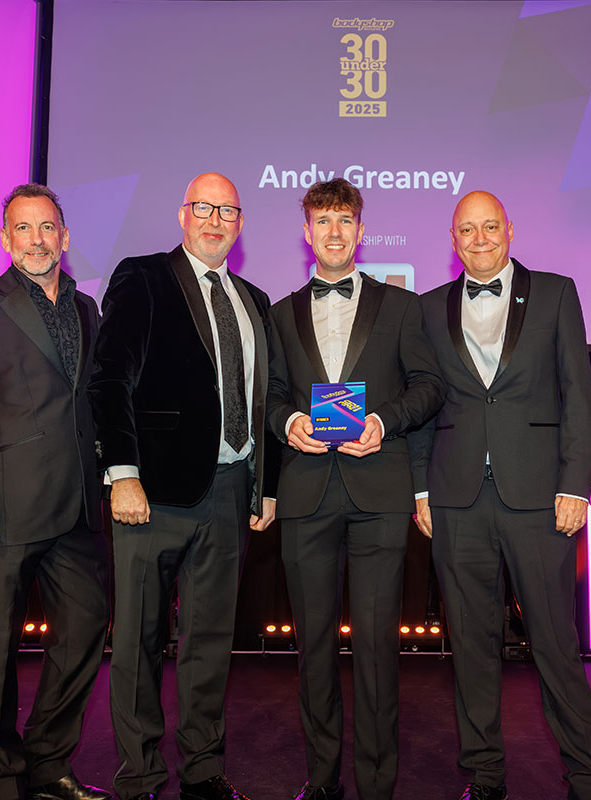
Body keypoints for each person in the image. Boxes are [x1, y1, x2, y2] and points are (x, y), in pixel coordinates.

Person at [413, 191, 591, 800]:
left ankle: (590, 778)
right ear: (452, 239)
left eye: (489, 227)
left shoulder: (555, 294)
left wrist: (575, 484)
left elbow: (579, 395)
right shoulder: (428, 308)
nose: (479, 239)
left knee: (555, 644)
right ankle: (484, 776)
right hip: (456, 500)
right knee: (471, 649)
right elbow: (421, 406)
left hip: (538, 498)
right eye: (466, 230)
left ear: (509, 230)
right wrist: (420, 488)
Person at [89, 172, 277, 800]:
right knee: (139, 639)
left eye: (227, 211)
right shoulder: (143, 277)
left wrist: (264, 485)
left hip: (230, 490)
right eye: (204, 207)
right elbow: (109, 379)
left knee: (211, 642)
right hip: (152, 494)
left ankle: (202, 769)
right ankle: (140, 773)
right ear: (182, 214)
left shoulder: (254, 299)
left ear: (240, 223)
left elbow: (262, 398)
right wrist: (123, 474)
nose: (215, 220)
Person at [266, 178, 444, 800]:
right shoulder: (280, 313)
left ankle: (375, 784)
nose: (334, 231)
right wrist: (289, 422)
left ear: (361, 231)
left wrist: (383, 422)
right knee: (312, 649)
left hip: (379, 493)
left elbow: (428, 386)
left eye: (344, 220)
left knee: (375, 650)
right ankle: (322, 781)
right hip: (306, 492)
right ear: (306, 232)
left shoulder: (402, 307)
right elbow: (269, 396)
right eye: (323, 221)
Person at [0, 184, 111, 800]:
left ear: (64, 237)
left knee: (86, 628)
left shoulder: (88, 308)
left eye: (47, 228)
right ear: (5, 238)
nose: (36, 240)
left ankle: (47, 763)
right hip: (4, 509)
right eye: (23, 228)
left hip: (77, 506)